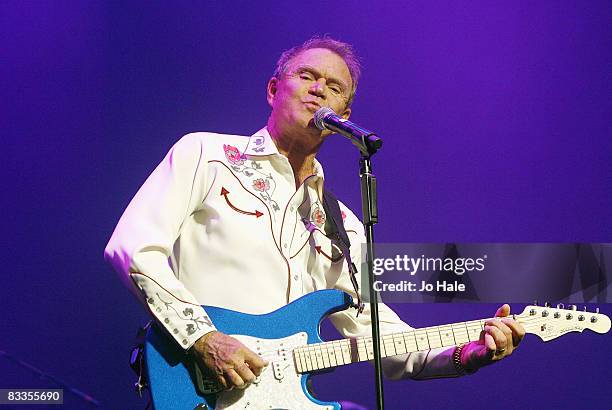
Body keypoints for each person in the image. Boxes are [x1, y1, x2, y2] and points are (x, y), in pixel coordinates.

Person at [104, 36, 525, 395]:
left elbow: (380, 334)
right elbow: (135, 248)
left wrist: (465, 354)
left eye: (334, 86)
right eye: (306, 76)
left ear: (343, 115)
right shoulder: (207, 155)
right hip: (196, 386)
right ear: (273, 89)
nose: (319, 89)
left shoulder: (341, 224)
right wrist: (203, 337)